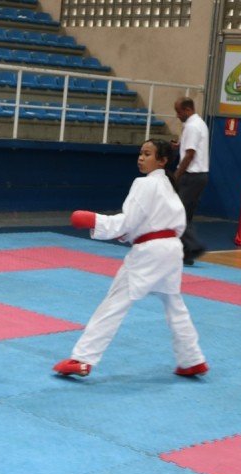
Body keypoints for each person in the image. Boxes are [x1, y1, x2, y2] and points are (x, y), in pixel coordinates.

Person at [53, 139, 208, 379]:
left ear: (162, 160)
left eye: (147, 154)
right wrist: (123, 232)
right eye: (140, 153)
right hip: (171, 250)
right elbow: (141, 224)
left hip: (150, 253)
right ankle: (192, 359)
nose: (141, 158)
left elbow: (128, 221)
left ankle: (82, 359)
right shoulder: (168, 186)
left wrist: (95, 221)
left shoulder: (144, 184)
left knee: (115, 302)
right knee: (174, 305)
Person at [172, 96, 209, 266]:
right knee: (186, 215)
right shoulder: (199, 123)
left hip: (191, 175)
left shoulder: (192, 126)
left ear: (187, 110)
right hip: (199, 175)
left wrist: (176, 175)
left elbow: (190, 155)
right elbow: (190, 149)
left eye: (179, 112)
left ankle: (193, 246)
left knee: (178, 213)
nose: (177, 115)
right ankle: (186, 253)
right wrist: (179, 146)